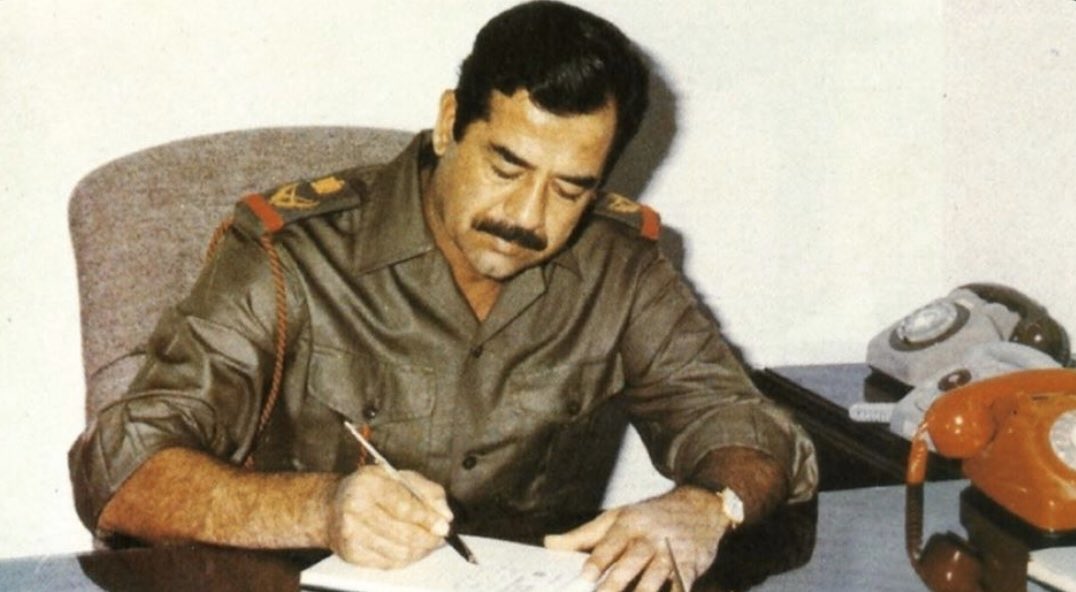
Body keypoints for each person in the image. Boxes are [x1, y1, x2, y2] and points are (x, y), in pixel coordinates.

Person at [68, 2, 817, 590]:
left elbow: (754, 430)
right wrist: (320, 508)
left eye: (569, 189)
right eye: (506, 166)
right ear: (450, 122)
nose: (526, 217)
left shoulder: (619, 269)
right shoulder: (291, 255)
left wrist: (708, 505)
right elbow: (120, 471)